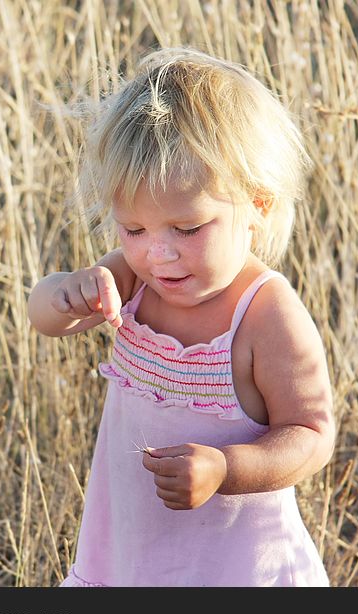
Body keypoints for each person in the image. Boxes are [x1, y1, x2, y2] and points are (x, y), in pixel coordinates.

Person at [27, 47, 335, 586]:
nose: (157, 254)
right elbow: (45, 315)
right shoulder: (131, 278)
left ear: (257, 205)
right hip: (127, 561)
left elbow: (310, 434)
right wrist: (68, 292)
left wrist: (227, 470)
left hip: (235, 571)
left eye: (188, 229)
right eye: (134, 229)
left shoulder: (266, 316)